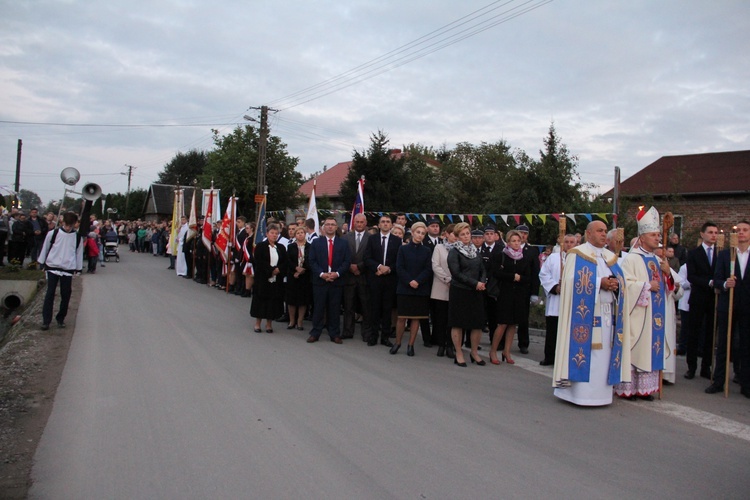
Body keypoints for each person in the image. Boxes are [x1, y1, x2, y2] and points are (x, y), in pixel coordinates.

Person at [553, 220, 630, 406]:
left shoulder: (611, 257)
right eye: (599, 231)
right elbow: (570, 282)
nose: (604, 234)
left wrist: (616, 285)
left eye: (605, 231)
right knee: (587, 354)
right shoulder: (577, 254)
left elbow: (622, 283)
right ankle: (579, 395)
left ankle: (601, 395)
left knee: (604, 357)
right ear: (588, 234)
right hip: (586, 315)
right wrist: (599, 283)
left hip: (607, 315)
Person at [614, 207, 677, 400]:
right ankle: (629, 388)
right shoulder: (631, 259)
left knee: (651, 348)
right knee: (636, 349)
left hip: (655, 316)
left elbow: (672, 288)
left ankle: (646, 389)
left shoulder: (659, 260)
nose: (658, 238)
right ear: (642, 238)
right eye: (653, 235)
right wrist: (646, 286)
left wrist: (667, 274)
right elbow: (623, 284)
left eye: (658, 234)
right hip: (638, 314)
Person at [705, 220, 750, 397]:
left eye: (745, 230)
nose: (741, 233)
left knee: (746, 345)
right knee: (724, 344)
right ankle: (719, 381)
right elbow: (716, 279)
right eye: (738, 230)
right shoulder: (725, 255)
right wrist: (725, 283)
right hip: (728, 305)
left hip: (747, 306)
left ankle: (746, 383)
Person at [489, 230, 535, 365]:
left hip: (519, 294)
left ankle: (507, 351)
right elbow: (496, 273)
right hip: (505, 293)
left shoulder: (524, 258)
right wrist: (512, 276)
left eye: (518, 241)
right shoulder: (501, 255)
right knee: (502, 323)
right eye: (513, 241)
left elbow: (529, 277)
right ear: (508, 242)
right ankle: (493, 350)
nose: (516, 244)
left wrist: (520, 278)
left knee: (513, 324)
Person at [447, 222, 487, 367]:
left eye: (467, 233)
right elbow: (456, 273)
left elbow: (482, 269)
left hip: (475, 292)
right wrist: (474, 283)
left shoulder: (475, 251)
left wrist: (482, 282)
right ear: (457, 236)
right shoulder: (454, 252)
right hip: (460, 291)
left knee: (477, 324)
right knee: (458, 323)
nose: (466, 236)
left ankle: (474, 352)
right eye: (462, 234)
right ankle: (458, 352)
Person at [391, 222, 433, 356]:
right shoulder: (403, 249)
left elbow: (428, 269)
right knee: (401, 317)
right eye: (418, 232)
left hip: (420, 289)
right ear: (413, 233)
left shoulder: (427, 250)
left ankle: (411, 345)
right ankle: (398, 343)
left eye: (422, 233)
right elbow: (399, 267)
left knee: (416, 318)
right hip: (404, 287)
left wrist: (418, 281)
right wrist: (409, 281)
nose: (420, 235)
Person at [37, 211, 84, 330]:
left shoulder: (77, 237)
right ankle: (46, 321)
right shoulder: (53, 233)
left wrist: (78, 269)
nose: (68, 228)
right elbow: (45, 247)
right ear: (63, 222)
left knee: (66, 294)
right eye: (66, 225)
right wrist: (42, 263)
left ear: (74, 224)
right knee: (50, 294)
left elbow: (79, 254)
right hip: (52, 266)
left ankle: (60, 318)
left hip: (68, 268)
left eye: (70, 225)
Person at [306, 217, 350, 344]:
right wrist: (322, 274)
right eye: (328, 224)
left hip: (337, 281)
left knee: (335, 309)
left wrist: (336, 274)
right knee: (318, 308)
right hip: (320, 281)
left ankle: (334, 333)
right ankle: (315, 333)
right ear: (323, 227)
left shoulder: (343, 243)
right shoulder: (316, 243)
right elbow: (312, 261)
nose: (330, 227)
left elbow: (346, 261)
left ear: (337, 227)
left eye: (333, 225)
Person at [685, 221, 720, 380]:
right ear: (702, 234)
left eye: (715, 232)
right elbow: (691, 276)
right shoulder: (693, 253)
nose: (714, 235)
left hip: (714, 299)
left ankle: (706, 367)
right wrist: (709, 282)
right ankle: (691, 367)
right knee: (694, 333)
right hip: (698, 297)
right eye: (711, 232)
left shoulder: (721, 253)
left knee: (710, 334)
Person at [538, 233, 577, 366]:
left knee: (568, 334)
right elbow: (543, 274)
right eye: (567, 242)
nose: (569, 244)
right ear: (562, 243)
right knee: (552, 332)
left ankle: (566, 360)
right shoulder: (553, 258)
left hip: (571, 301)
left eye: (572, 242)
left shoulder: (579, 259)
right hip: (555, 301)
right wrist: (555, 287)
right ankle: (549, 357)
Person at [364, 215, 401, 347]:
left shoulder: (397, 241)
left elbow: (399, 261)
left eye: (388, 222)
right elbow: (367, 258)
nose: (385, 224)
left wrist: (389, 269)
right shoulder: (372, 239)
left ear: (391, 225)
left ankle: (385, 337)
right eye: (383, 222)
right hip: (375, 278)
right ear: (379, 225)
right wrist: (379, 267)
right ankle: (373, 335)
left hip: (390, 280)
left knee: (387, 309)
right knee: (374, 308)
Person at [251, 223, 288, 333]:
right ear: (267, 234)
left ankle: (269, 324)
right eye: (272, 233)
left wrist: (278, 270)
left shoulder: (280, 247)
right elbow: (259, 261)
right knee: (261, 300)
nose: (274, 235)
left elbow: (284, 261)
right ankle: (258, 324)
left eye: (276, 233)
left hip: (276, 280)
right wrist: (270, 270)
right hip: (263, 278)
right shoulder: (261, 246)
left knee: (273, 301)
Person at [343, 213, 372, 341]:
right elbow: (342, 255)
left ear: (365, 223)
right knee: (348, 306)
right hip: (349, 277)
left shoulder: (371, 238)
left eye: (362, 222)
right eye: (357, 222)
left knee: (366, 307)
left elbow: (371, 257)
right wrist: (349, 266)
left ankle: (366, 332)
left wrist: (359, 267)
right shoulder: (345, 238)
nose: (359, 224)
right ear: (353, 223)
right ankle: (348, 331)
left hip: (363, 277)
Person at [431, 223, 456, 359]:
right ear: (446, 234)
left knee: (452, 319)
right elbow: (436, 265)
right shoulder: (439, 247)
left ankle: (450, 345)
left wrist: (456, 280)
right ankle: (441, 344)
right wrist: (448, 279)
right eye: (453, 234)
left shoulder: (462, 248)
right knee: (440, 318)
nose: (455, 237)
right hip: (441, 286)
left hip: (457, 288)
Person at [515, 224, 540, 354]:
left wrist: (534, 292)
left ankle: (523, 343)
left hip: (525, 288)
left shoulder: (532, 250)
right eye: (520, 233)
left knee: (523, 318)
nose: (522, 235)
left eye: (525, 233)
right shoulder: (509, 248)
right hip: (511, 287)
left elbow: (536, 272)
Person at [285, 226, 312, 330]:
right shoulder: (291, 246)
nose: (300, 234)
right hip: (293, 275)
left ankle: (300, 321)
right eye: (298, 233)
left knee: (303, 300)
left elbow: (310, 260)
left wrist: (302, 270)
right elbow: (288, 260)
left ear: (305, 234)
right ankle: (292, 321)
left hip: (305, 276)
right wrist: (295, 269)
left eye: (302, 232)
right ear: (295, 235)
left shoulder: (310, 246)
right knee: (292, 299)